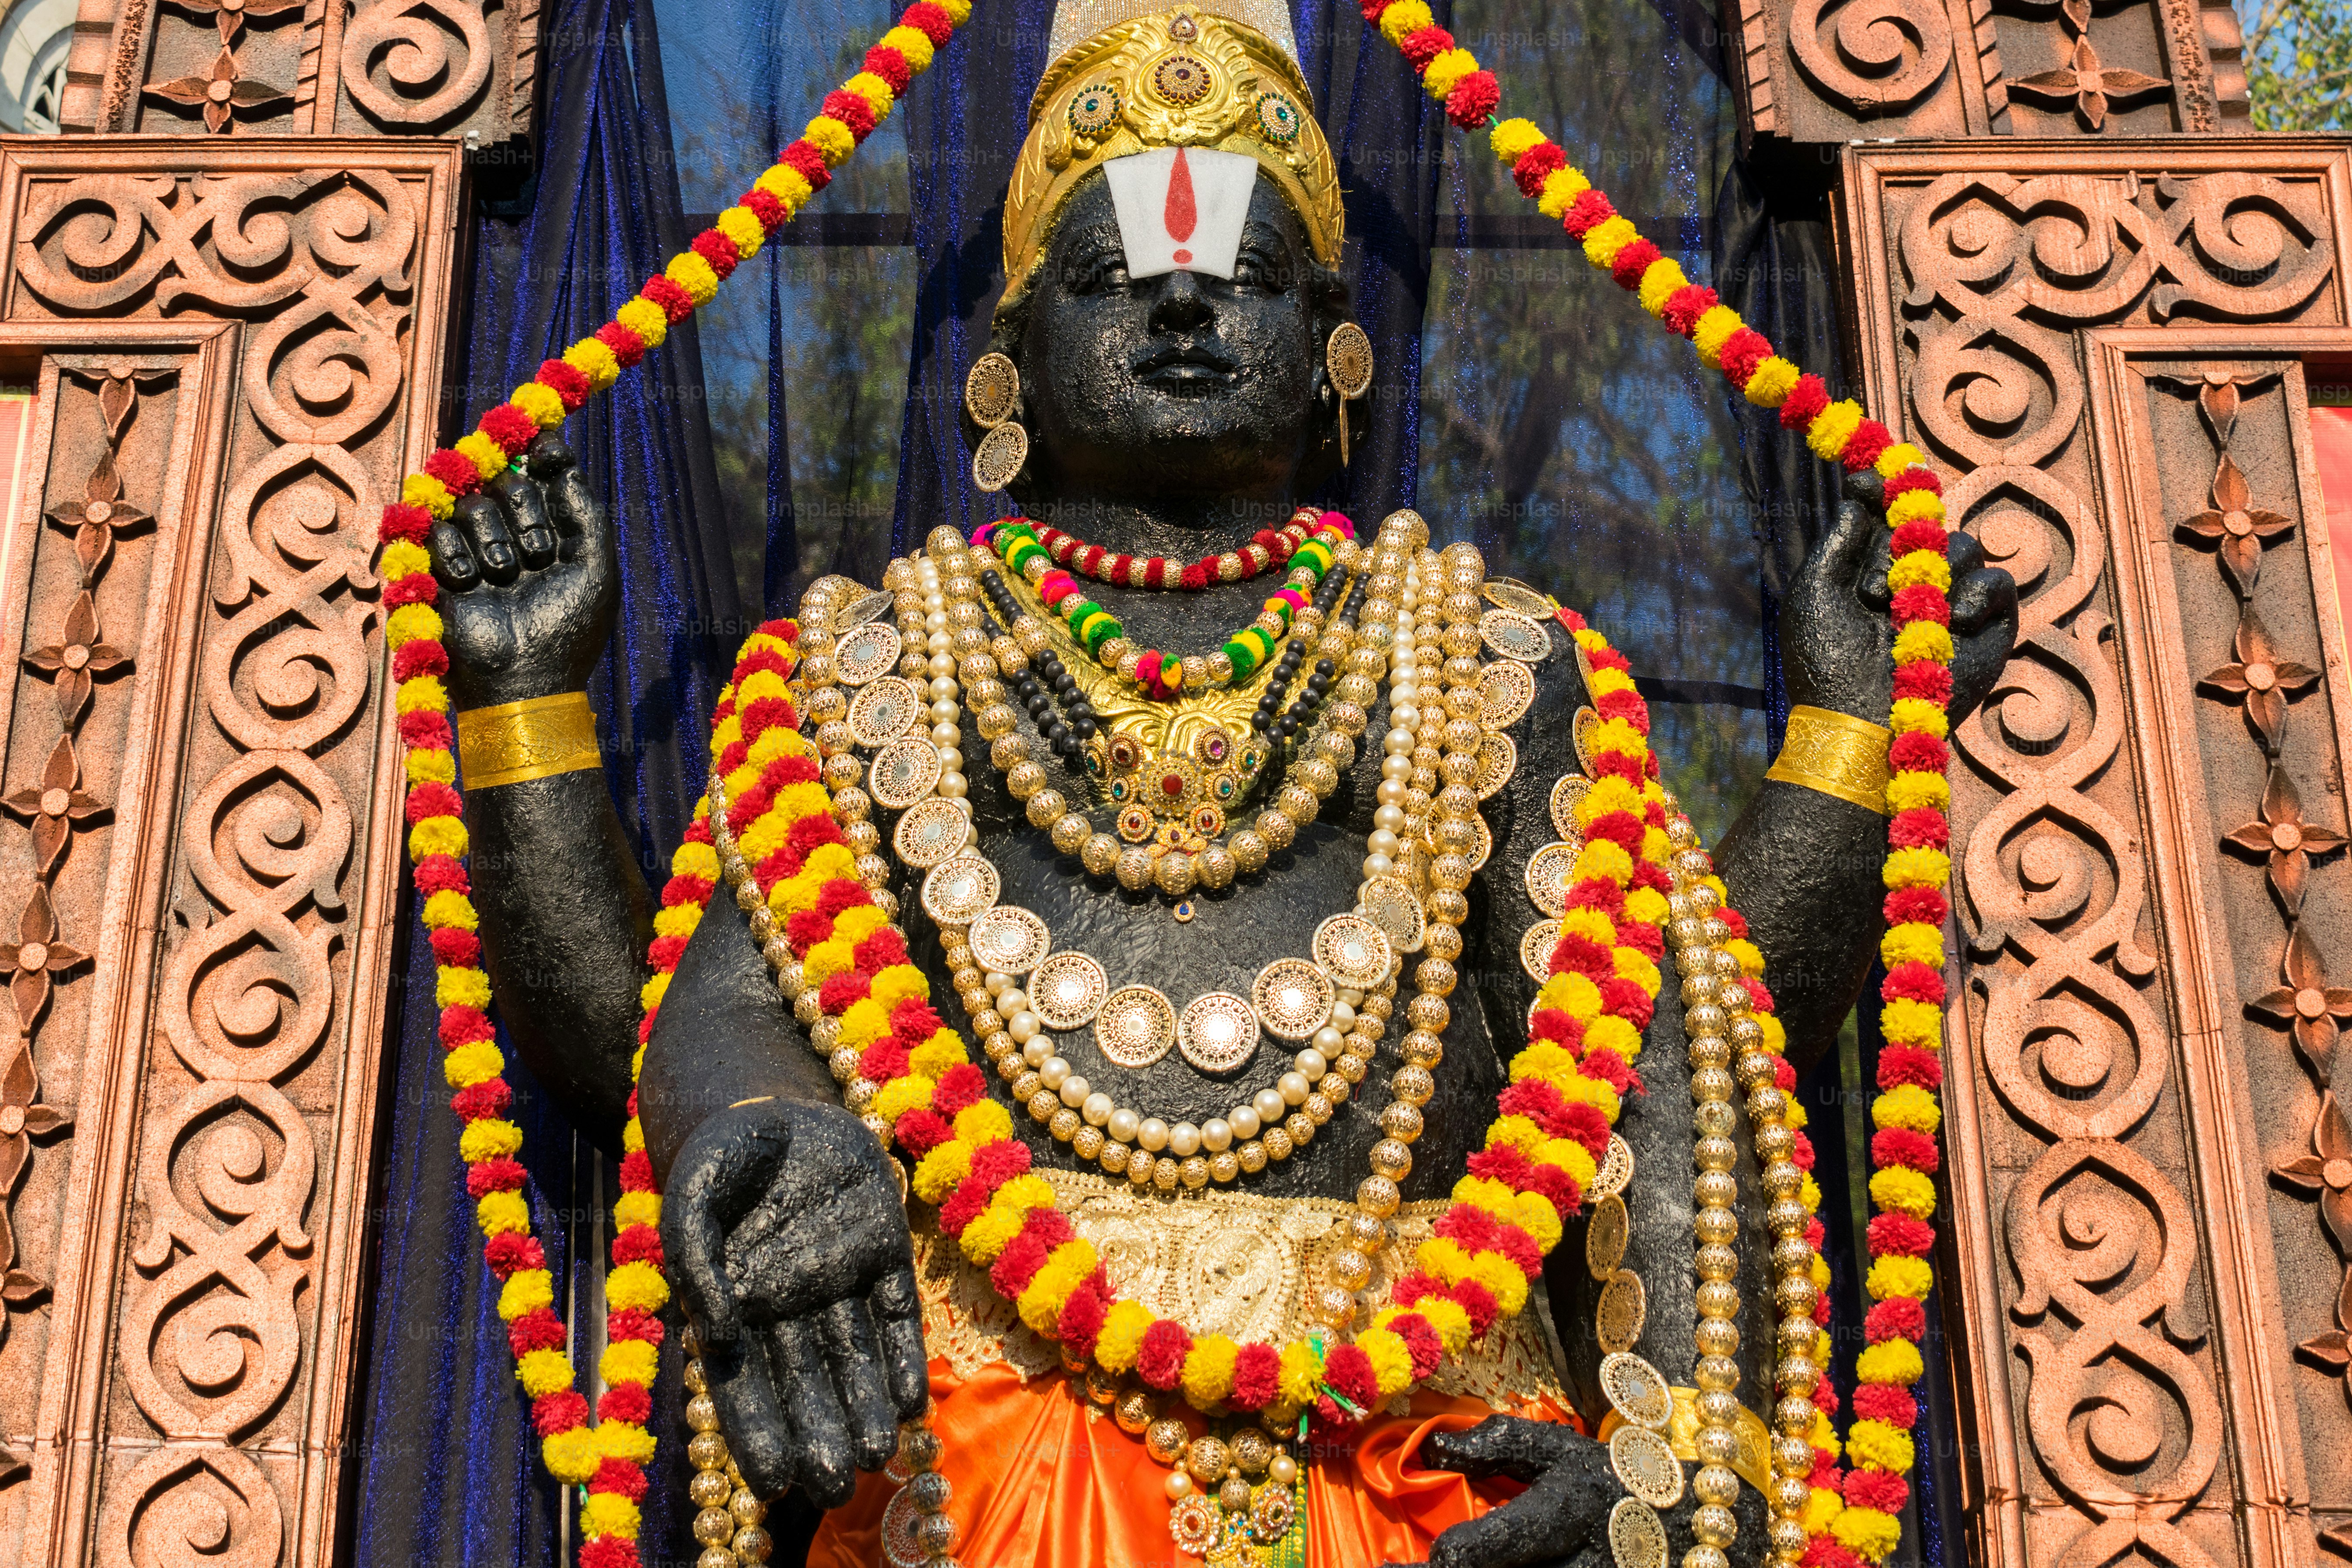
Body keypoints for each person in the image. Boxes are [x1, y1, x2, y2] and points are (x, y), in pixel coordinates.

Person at [422, 6, 2017, 1565]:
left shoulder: (1490, 664)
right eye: (1116, 278)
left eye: (1239, 279)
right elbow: (693, 1023)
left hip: (1416, 1480)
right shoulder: (872, 672)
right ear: (1008, 368)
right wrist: (528, 715)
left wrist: (1663, 1483)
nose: (1183, 311)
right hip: (972, 1485)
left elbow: (1660, 1044)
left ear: (1338, 353)